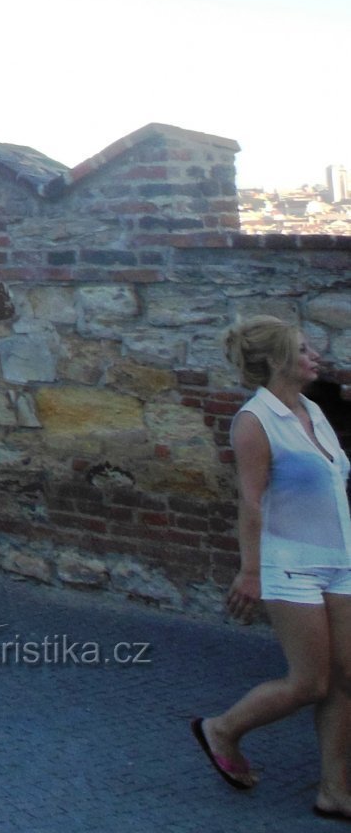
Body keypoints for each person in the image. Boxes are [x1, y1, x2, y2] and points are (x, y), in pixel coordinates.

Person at [191, 318, 351, 814]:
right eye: (303, 351)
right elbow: (251, 502)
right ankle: (221, 729)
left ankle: (334, 791)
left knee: (347, 679)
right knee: (310, 683)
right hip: (289, 567)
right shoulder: (254, 421)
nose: (315, 356)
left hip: (340, 562)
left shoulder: (312, 411)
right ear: (279, 361)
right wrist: (252, 571)